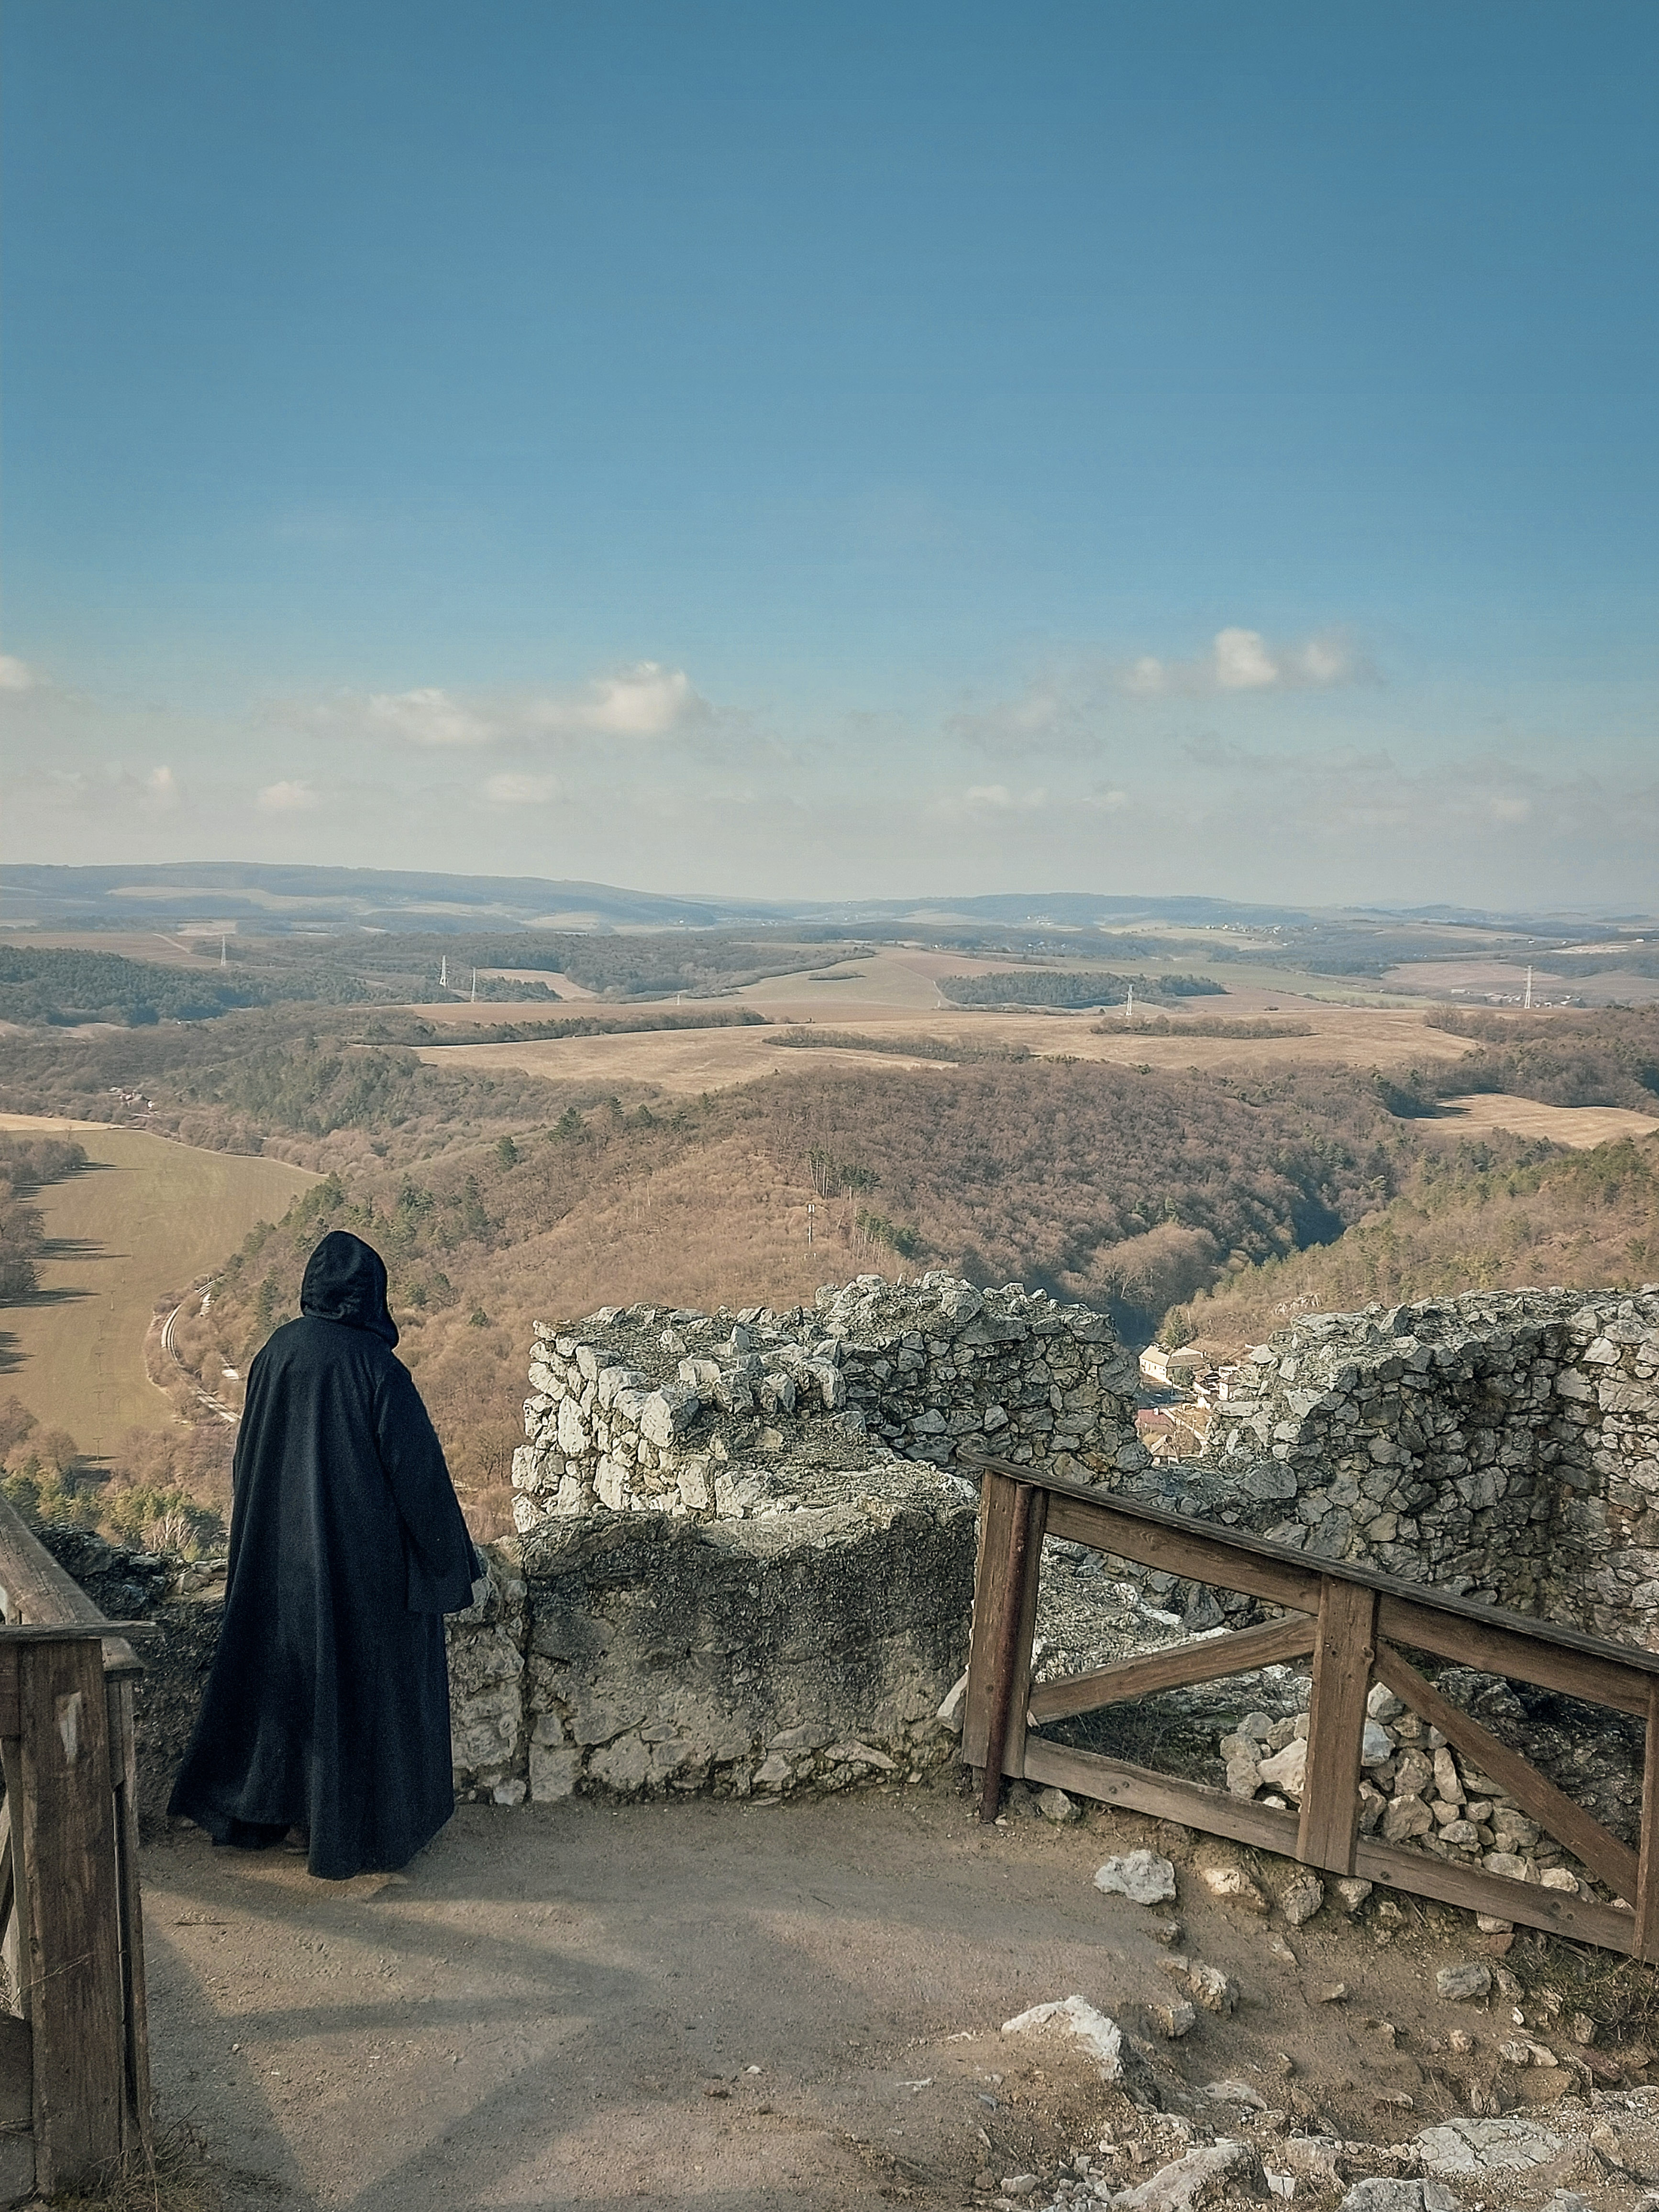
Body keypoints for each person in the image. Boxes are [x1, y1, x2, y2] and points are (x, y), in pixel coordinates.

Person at [169, 1229, 479, 1880]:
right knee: (359, 1696)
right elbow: (418, 1479)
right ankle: (345, 1830)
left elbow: (250, 1460)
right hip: (359, 1569)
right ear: (371, 1294)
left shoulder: (275, 1353)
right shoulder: (377, 1369)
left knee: (286, 1692)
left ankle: (279, 1814)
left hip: (279, 1564)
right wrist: (453, 1563)